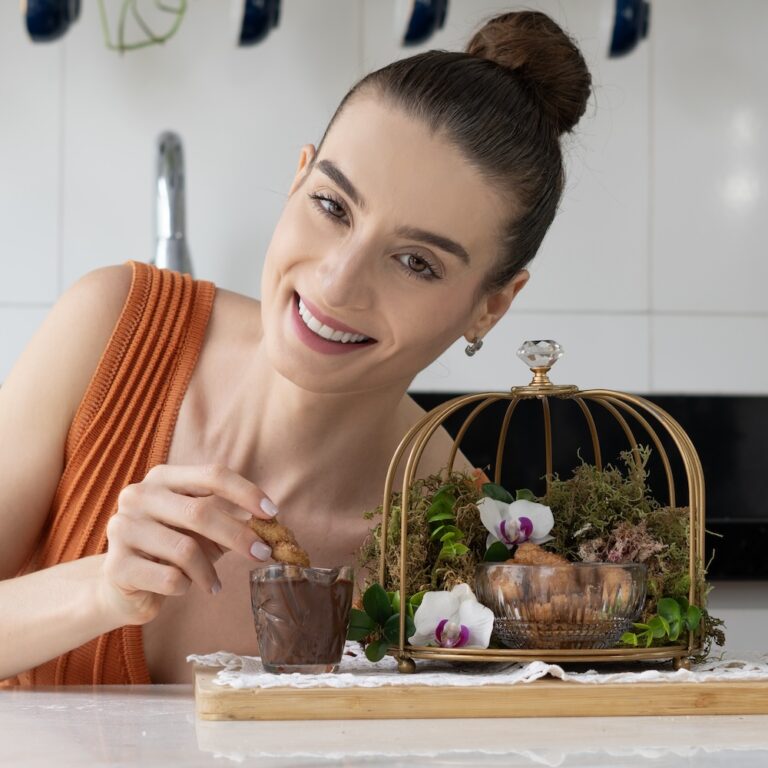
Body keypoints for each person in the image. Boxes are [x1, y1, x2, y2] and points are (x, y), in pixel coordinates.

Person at [0, 10, 591, 686]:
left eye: (416, 262)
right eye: (334, 206)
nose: (337, 281)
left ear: (491, 305)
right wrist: (99, 591)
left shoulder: (459, 547)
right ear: (299, 176)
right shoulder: (115, 329)